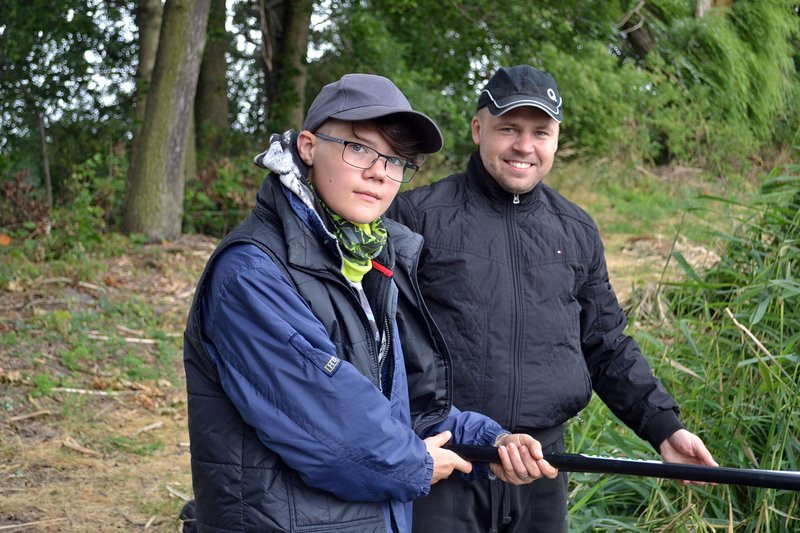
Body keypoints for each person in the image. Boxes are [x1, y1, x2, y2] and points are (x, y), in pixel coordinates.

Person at [182, 73, 559, 533]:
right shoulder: (252, 272)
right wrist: (415, 461)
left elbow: (404, 405)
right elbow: (331, 428)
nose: (380, 172)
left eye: (398, 160)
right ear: (307, 146)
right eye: (359, 148)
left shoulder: (368, 258)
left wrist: (487, 442)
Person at [386, 65, 718, 533]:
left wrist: (663, 427)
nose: (525, 146)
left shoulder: (576, 229)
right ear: (478, 128)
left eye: (540, 132)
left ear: (556, 139)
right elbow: (381, 343)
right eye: (509, 129)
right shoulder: (413, 216)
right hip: (447, 459)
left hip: (544, 466)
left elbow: (606, 342)